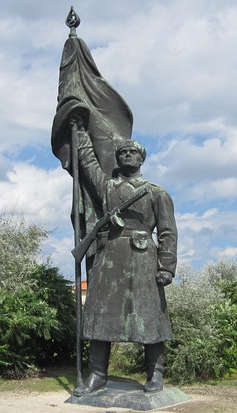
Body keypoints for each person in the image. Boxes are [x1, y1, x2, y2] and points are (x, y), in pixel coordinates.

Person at [71, 118, 178, 396]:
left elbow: (167, 232)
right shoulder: (107, 187)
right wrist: (79, 130)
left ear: (142, 158)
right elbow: (88, 162)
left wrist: (167, 267)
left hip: (144, 259)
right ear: (118, 158)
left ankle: (155, 375)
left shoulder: (157, 193)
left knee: (149, 316)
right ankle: (98, 375)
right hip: (110, 257)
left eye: (133, 152)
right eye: (123, 152)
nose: (127, 155)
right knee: (100, 315)